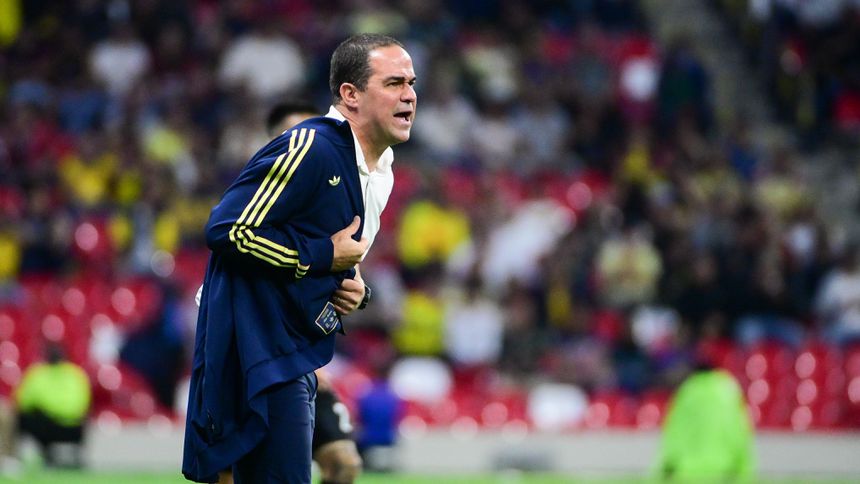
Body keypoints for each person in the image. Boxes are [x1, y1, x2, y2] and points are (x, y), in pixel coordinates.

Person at [182, 33, 416, 484]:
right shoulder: (312, 145)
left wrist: (354, 288)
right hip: (257, 352)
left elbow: (330, 256)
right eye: (393, 83)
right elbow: (227, 229)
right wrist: (321, 256)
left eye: (410, 82)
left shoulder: (376, 171)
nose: (409, 95)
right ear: (350, 95)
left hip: (293, 350)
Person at [208, 101, 365, 484]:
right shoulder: (252, 198)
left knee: (344, 465)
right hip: (251, 359)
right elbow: (226, 240)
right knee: (231, 473)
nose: (307, 145)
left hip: (301, 362)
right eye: (295, 136)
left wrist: (360, 291)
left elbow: (342, 268)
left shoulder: (327, 198)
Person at [656, 358, 757, 481]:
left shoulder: (688, 390)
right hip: (724, 471)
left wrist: (667, 466)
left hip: (686, 472)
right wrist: (743, 469)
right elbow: (738, 432)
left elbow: (675, 432)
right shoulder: (727, 389)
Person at [15, 344, 91, 468]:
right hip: (75, 428)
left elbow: (23, 402)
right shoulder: (76, 374)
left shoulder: (38, 374)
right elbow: (84, 402)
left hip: (48, 428)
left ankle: (17, 457)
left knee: (21, 417)